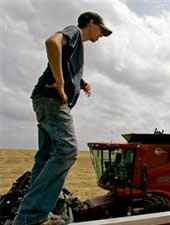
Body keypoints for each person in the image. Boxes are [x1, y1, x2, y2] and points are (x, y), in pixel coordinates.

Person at [13, 12, 112, 225]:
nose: (102, 35)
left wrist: (79, 82)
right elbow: (51, 43)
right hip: (52, 101)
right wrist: (59, 83)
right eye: (101, 30)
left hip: (45, 100)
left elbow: (65, 63)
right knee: (67, 150)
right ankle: (33, 216)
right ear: (90, 23)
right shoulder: (75, 31)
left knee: (45, 157)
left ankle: (28, 217)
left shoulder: (77, 47)